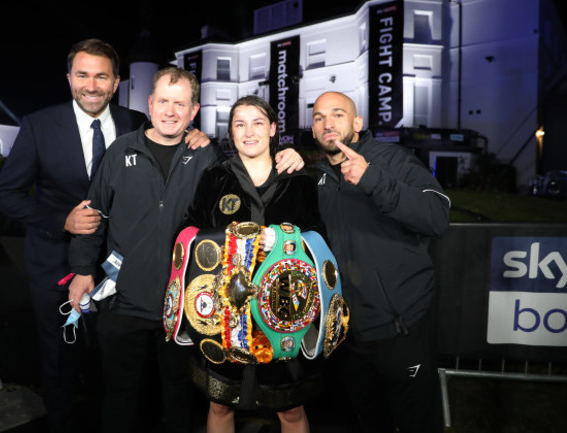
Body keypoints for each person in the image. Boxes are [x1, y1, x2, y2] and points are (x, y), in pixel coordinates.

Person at [67, 69, 306, 433]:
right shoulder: (121, 151)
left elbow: (249, 168)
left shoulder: (207, 156)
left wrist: (293, 155)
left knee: (180, 397)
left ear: (193, 111)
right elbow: (93, 214)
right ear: (150, 104)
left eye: (180, 104)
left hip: (185, 306)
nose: (170, 111)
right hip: (124, 301)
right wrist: (83, 270)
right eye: (162, 101)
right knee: (118, 395)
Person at [0, 39, 208, 433]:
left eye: (102, 76)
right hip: (57, 262)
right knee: (58, 358)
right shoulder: (39, 125)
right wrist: (62, 221)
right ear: (70, 78)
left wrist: (200, 137)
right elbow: (5, 195)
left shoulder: (134, 121)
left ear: (116, 82)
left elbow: (170, 141)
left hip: (121, 268)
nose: (92, 85)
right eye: (83, 75)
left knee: (113, 367)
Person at [179, 95, 326, 433]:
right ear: (231, 133)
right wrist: (227, 239)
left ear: (273, 129)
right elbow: (188, 232)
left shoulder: (298, 179)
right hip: (225, 309)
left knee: (289, 410)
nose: (249, 132)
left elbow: (319, 238)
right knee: (219, 404)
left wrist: (287, 242)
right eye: (240, 124)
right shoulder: (214, 178)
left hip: (284, 309)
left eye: (258, 122)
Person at [311, 91, 451, 433]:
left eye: (337, 114)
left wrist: (374, 179)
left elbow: (437, 216)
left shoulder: (392, 159)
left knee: (417, 422)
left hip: (400, 328)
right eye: (318, 117)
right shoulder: (318, 177)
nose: (327, 123)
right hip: (347, 334)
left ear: (357, 123)